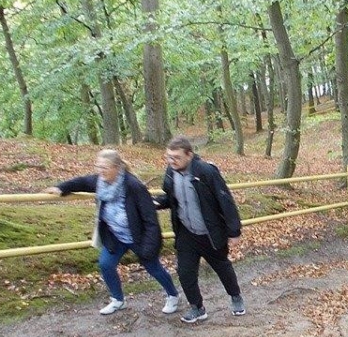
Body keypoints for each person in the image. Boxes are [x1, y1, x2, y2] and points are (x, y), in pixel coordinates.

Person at [44, 150, 179, 316]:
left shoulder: (133, 186)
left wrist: (150, 246)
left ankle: (172, 295)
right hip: (116, 235)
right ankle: (117, 300)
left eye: (105, 167)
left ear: (117, 168)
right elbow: (82, 182)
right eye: (98, 167)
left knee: (153, 268)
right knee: (106, 264)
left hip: (139, 236)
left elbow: (150, 218)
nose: (100, 171)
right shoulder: (100, 182)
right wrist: (60, 188)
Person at [155, 136, 246, 324]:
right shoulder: (171, 173)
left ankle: (235, 296)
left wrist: (234, 231)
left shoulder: (205, 172)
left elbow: (225, 200)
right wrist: (157, 202)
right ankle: (197, 308)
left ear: (189, 155)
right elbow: (171, 198)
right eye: (169, 157)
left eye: (176, 157)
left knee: (222, 267)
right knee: (185, 272)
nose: (172, 161)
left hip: (210, 232)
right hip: (186, 233)